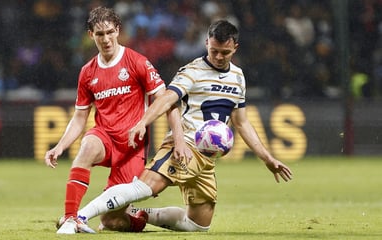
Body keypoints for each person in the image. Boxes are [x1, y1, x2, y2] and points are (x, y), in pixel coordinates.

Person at [76, 19, 293, 232]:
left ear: (235, 48)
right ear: (207, 42)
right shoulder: (193, 71)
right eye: (214, 50)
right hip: (186, 145)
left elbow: (242, 122)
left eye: (224, 53)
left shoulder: (238, 77)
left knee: (198, 225)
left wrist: (267, 158)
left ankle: (138, 214)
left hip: (207, 157)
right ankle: (78, 217)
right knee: (145, 187)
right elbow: (168, 98)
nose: (218, 57)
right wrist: (144, 121)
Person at [44, 6, 185, 234]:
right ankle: (71, 218)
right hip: (105, 137)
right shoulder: (87, 72)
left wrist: (179, 140)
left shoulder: (137, 62)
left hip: (132, 147)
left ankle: (140, 217)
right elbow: (80, 117)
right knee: (87, 146)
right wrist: (60, 146)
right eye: (100, 34)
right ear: (91, 35)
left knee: (112, 222)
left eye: (110, 32)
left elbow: (167, 101)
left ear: (118, 30)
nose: (106, 39)